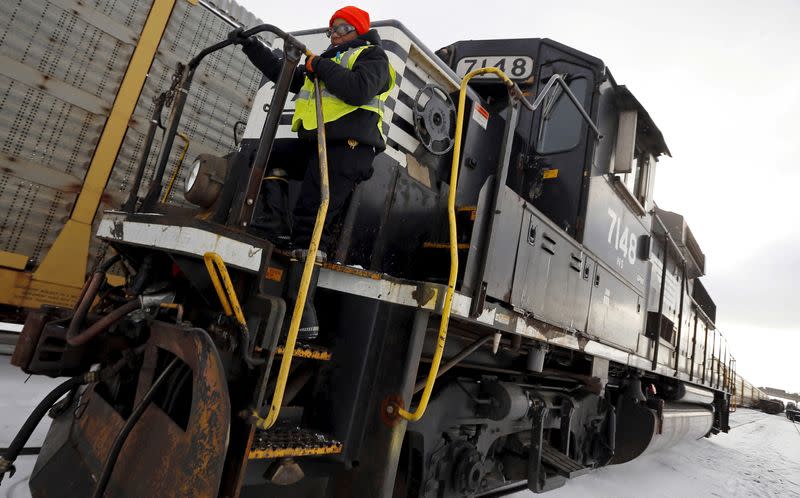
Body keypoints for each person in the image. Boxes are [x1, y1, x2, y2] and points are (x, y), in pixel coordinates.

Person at [230, 6, 395, 340]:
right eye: (331, 29)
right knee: (267, 157)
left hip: (350, 147)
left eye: (341, 28)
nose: (333, 34)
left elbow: (359, 89)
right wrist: (252, 46)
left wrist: (319, 64)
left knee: (311, 217)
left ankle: (303, 310)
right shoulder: (325, 63)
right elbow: (286, 75)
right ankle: (274, 226)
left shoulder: (373, 57)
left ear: (358, 30)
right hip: (317, 143)